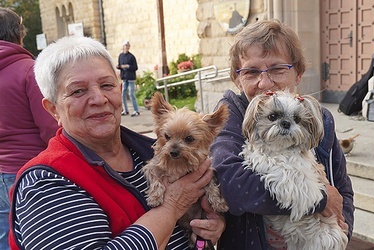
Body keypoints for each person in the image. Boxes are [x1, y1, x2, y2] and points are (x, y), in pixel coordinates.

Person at [8, 36, 225, 249]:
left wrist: (213, 226)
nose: (98, 99)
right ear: (53, 109)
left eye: (106, 85)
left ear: (120, 91)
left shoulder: (147, 151)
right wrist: (171, 207)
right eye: (78, 91)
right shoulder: (44, 182)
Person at [210, 19, 354, 250]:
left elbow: (342, 189)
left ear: (298, 74)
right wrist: (321, 199)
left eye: (277, 69)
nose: (265, 82)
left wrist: (341, 225)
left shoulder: (322, 119)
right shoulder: (229, 116)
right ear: (237, 78)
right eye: (251, 71)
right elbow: (233, 187)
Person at [0, 7, 59, 249]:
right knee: (41, 232)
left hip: (2, 170)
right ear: (19, 34)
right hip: (33, 168)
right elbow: (49, 126)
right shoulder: (29, 70)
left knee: (6, 232)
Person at [117, 40, 140, 117]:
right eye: (125, 46)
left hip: (131, 77)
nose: (126, 48)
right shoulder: (121, 56)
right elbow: (119, 65)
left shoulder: (131, 56)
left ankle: (136, 110)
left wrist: (128, 66)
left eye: (127, 46)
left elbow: (135, 67)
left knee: (131, 94)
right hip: (124, 77)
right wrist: (120, 67)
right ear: (123, 47)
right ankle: (126, 110)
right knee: (123, 94)